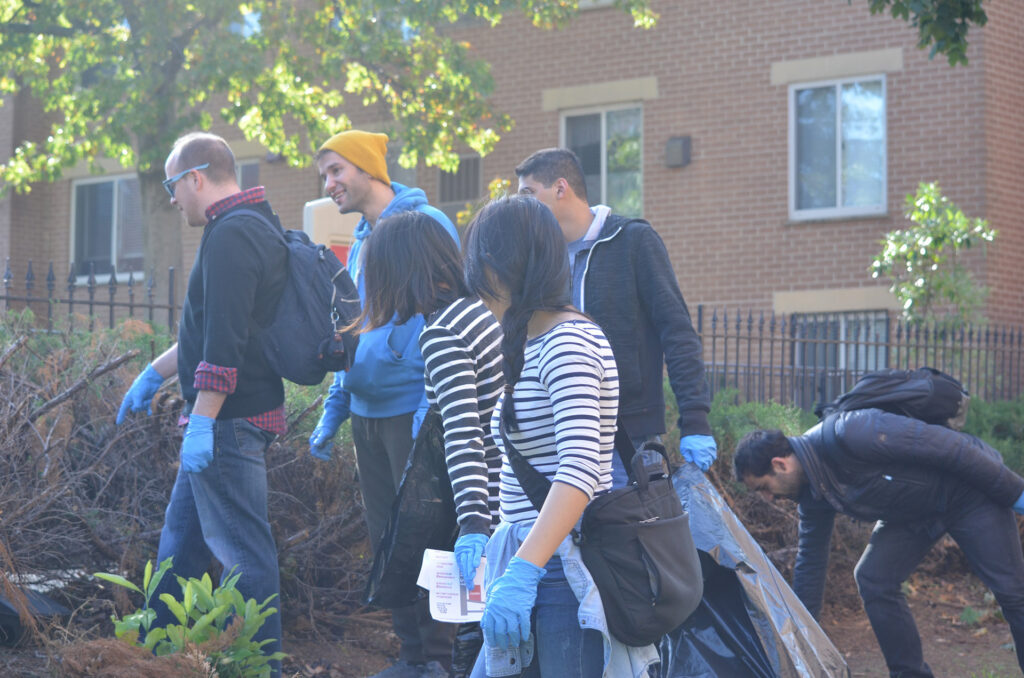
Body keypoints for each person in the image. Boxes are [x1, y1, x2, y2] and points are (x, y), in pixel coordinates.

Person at [464, 195, 659, 678]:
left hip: (563, 573)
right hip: (530, 562)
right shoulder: (531, 339)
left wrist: (524, 571)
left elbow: (580, 470)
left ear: (497, 267)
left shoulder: (568, 342)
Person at [116, 132, 288, 675]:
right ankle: (156, 656)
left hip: (227, 423)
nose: (171, 199)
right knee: (181, 546)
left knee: (245, 556)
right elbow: (209, 328)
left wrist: (202, 423)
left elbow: (224, 347)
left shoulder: (234, 234)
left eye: (172, 185)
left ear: (196, 177)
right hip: (223, 421)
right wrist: (156, 372)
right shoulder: (247, 225)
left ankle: (261, 667)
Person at [308, 130, 459, 678]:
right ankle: (411, 656)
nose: (329, 185)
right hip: (368, 416)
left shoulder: (426, 224)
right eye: (324, 176)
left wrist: (429, 402)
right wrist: (335, 407)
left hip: (411, 414)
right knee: (387, 542)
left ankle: (443, 659)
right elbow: (355, 329)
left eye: (336, 171)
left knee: (429, 534)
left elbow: (448, 314)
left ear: (368, 167)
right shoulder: (362, 242)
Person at [733, 410, 1024, 678]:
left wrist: (1014, 491)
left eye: (763, 488)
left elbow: (949, 446)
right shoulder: (810, 493)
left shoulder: (852, 432)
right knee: (874, 578)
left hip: (968, 494)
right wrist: (800, 643)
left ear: (779, 464)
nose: (768, 498)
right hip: (915, 514)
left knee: (1013, 593)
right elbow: (810, 563)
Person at [514, 148, 715, 486]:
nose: (521, 206)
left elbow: (677, 331)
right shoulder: (539, 260)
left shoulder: (633, 241)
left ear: (560, 188)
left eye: (528, 193)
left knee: (631, 522)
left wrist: (695, 421)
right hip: (560, 431)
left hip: (629, 438)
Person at [346, 210, 503, 596]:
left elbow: (464, 434)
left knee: (475, 629)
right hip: (509, 498)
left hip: (490, 510)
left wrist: (473, 525)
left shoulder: (443, 333)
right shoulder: (475, 309)